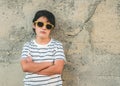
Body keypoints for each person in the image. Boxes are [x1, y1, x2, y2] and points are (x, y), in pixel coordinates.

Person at [20, 10, 66, 86]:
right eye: (40, 24)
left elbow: (58, 69)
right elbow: (25, 67)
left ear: (51, 29)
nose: (44, 28)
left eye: (48, 26)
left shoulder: (57, 46)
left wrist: (33, 68)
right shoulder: (27, 46)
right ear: (34, 25)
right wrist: (49, 64)